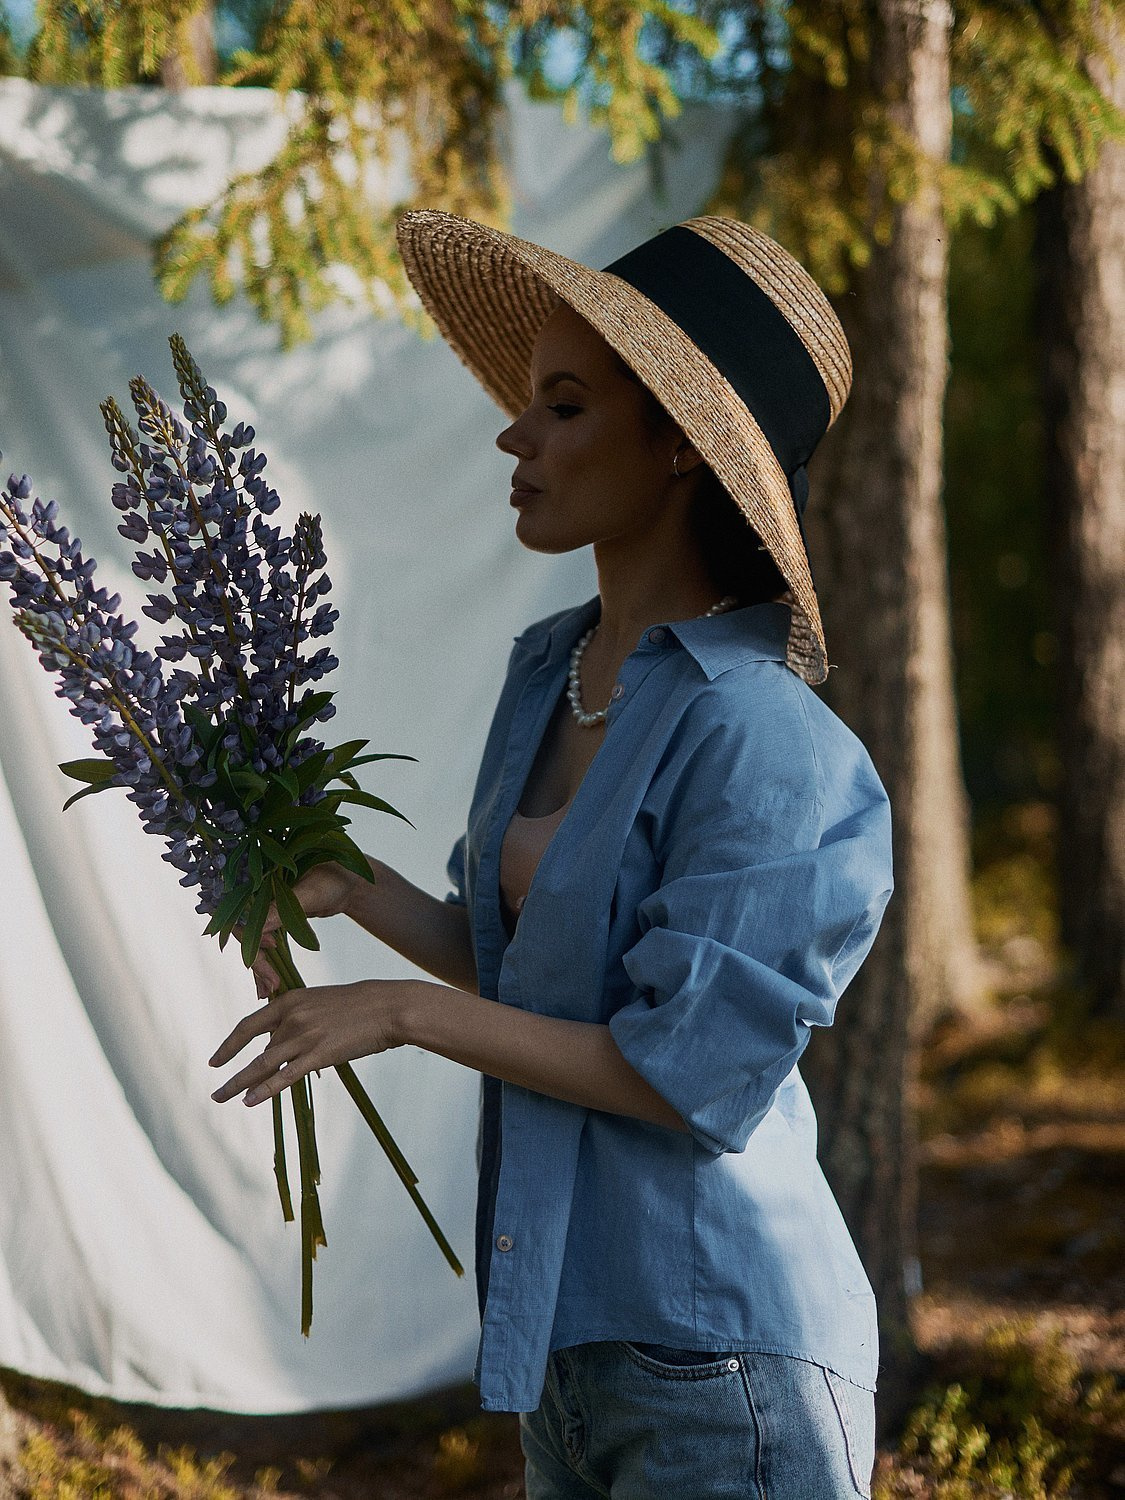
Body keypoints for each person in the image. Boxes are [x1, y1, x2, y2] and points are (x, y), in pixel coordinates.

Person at [210, 210, 894, 1499]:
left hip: (728, 1360)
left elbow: (681, 1073)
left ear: (683, 447)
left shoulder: (765, 738)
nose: (515, 435)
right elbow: (532, 978)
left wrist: (400, 1013)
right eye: (529, 401)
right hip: (564, 1345)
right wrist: (352, 885)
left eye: (565, 405)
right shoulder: (552, 675)